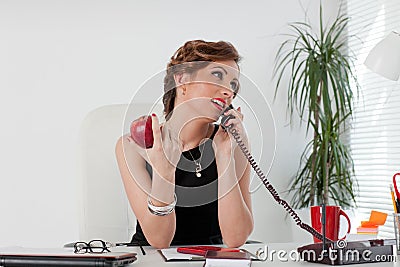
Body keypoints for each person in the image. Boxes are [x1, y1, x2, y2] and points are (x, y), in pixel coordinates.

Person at [115, 40, 253, 249]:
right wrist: (165, 170)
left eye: (234, 84)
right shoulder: (134, 146)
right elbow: (159, 240)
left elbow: (235, 239)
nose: (228, 91)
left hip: (211, 260)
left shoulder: (232, 141)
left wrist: (224, 155)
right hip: (152, 261)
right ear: (182, 79)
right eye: (217, 75)